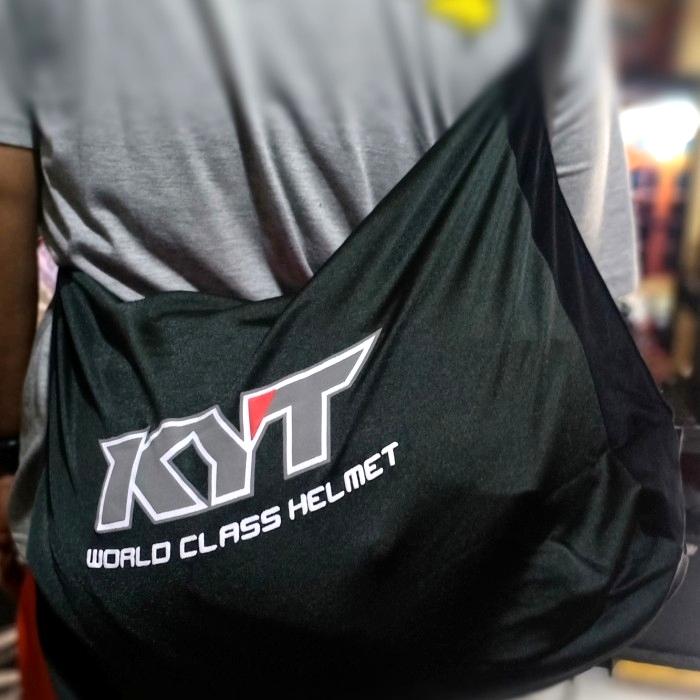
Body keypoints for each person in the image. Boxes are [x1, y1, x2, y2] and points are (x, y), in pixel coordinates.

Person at [0, 0, 637, 694]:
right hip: (447, 551)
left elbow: (6, 200)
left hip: (139, 530)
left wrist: (5, 454)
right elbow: (574, 286)